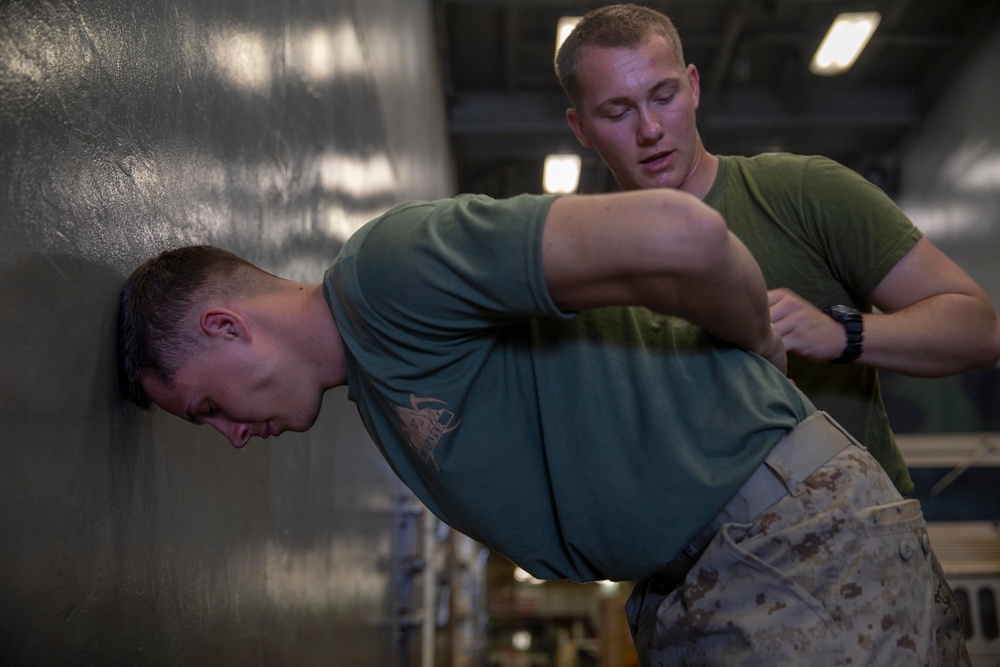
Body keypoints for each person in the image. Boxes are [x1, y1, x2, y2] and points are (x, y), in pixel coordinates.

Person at [118, 188, 968, 664]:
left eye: (209, 406)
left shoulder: (387, 273)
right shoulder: (372, 386)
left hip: (781, 544)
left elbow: (684, 232)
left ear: (226, 326)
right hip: (705, 584)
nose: (229, 433)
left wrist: (759, 342)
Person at [555, 3, 1000, 497]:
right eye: (617, 112)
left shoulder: (805, 192)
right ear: (580, 129)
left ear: (694, 86)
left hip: (855, 547)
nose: (650, 129)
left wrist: (843, 335)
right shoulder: (584, 265)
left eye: (664, 96)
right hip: (696, 563)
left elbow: (978, 329)